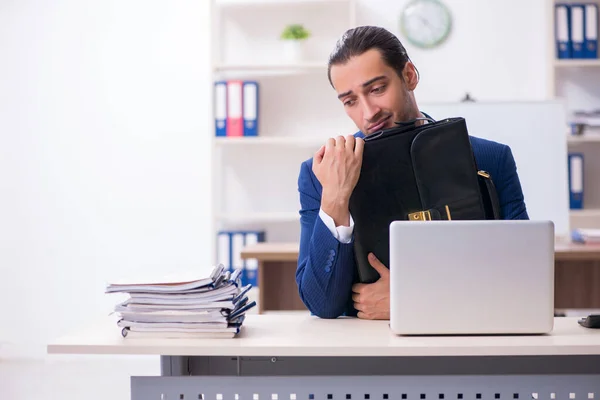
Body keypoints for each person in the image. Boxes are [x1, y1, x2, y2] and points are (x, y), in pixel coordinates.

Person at [295, 26, 529, 320]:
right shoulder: (319, 175)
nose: (368, 112)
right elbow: (322, 304)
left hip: (467, 346)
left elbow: (523, 280)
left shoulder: (491, 159)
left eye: (377, 89)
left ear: (409, 75)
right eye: (350, 101)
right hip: (369, 356)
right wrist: (335, 200)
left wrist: (416, 297)